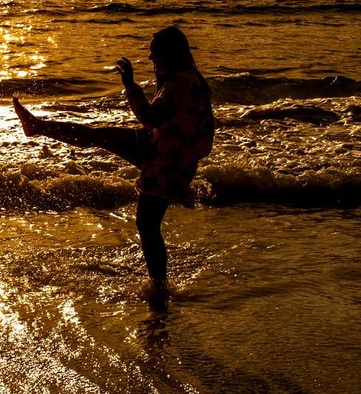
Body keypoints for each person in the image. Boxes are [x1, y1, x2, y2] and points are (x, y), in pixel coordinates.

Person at [13, 25, 214, 300]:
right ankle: (37, 126)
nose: (151, 59)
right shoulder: (186, 78)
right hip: (159, 146)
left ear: (170, 53)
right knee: (99, 136)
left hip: (168, 161)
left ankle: (159, 288)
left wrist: (130, 85)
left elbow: (150, 117)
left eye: (154, 54)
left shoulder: (181, 83)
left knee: (147, 224)